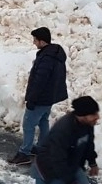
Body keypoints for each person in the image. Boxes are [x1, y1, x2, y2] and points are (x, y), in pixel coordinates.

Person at [9, 27, 69, 166]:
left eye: (35, 40)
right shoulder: (54, 53)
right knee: (43, 121)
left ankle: (24, 153)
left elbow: (40, 81)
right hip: (50, 97)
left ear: (42, 41)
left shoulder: (47, 58)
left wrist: (32, 99)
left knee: (28, 124)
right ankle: (42, 147)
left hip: (41, 97)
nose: (34, 43)